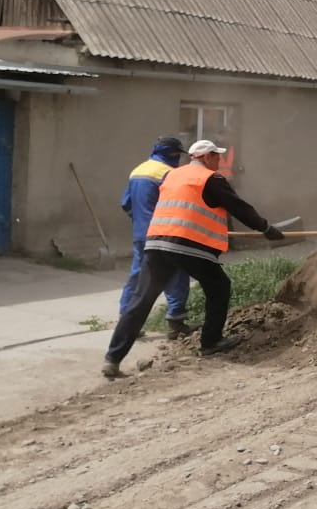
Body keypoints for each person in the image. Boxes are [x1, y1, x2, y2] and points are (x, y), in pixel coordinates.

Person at [101, 139, 285, 377]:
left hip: (156, 243)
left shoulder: (173, 176)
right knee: (219, 285)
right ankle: (211, 341)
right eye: (216, 157)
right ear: (205, 157)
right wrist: (266, 228)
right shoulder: (211, 179)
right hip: (186, 244)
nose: (219, 162)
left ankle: (112, 359)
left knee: (140, 301)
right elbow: (238, 207)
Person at [119, 135, 194, 339]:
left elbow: (125, 203)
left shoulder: (138, 170)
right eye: (178, 155)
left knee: (137, 275)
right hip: (165, 234)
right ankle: (176, 319)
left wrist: (141, 222)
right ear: (173, 154)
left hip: (141, 234)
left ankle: (127, 320)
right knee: (177, 272)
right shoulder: (170, 174)